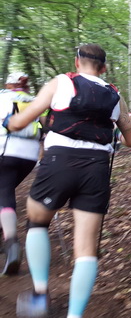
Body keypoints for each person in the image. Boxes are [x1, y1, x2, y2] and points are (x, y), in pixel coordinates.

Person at [3, 44, 131, 318]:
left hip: (59, 162)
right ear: (104, 68)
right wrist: (116, 130)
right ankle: (75, 315)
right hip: (97, 170)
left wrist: (8, 121)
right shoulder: (115, 95)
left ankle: (40, 295)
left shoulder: (60, 83)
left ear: (77, 63)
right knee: (87, 247)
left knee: (37, 220)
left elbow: (20, 123)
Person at [0, 72, 44, 276]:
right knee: (4, 191)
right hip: (29, 156)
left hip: (5, 150)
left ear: (9, 84)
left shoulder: (2, 97)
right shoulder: (35, 101)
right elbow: (46, 127)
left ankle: (11, 243)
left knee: (4, 192)